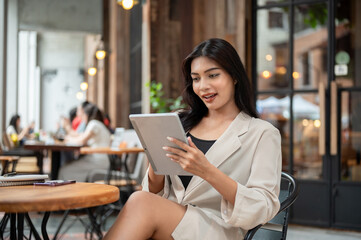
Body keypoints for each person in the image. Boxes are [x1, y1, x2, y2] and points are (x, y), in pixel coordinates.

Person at [104, 38, 282, 239]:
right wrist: (157, 160)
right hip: (168, 224)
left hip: (218, 230)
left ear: (234, 76)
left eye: (212, 75)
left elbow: (264, 206)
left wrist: (207, 172)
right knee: (141, 200)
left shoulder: (262, 133)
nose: (203, 86)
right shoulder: (181, 121)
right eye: (196, 78)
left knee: (139, 202)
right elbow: (153, 192)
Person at [58, 103, 111, 182]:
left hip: (97, 161)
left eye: (82, 115)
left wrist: (67, 138)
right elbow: (80, 137)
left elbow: (81, 140)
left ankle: (68, 192)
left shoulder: (93, 124)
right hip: (101, 160)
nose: (81, 118)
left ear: (86, 115)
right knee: (67, 167)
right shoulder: (98, 124)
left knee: (64, 170)